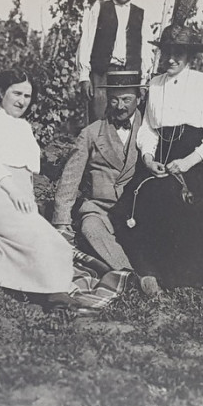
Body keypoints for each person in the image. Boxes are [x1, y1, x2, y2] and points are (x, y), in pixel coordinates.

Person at [0, 70, 97, 314]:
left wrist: (25, 196)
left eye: (27, 96)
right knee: (37, 238)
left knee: (56, 243)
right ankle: (53, 294)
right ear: (1, 93)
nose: (22, 100)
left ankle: (50, 288)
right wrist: (13, 190)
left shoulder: (24, 128)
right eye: (16, 93)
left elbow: (27, 177)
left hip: (16, 198)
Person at [109, 24, 203, 290]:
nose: (172, 59)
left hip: (191, 167)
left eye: (179, 53)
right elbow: (149, 130)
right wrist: (149, 158)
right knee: (130, 211)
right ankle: (147, 272)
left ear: (190, 56)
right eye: (167, 52)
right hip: (159, 165)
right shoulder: (155, 84)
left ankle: (183, 278)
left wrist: (188, 161)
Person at [52, 70, 160, 295]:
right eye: (114, 99)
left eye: (127, 99)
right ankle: (133, 278)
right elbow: (70, 179)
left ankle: (157, 274)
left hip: (136, 212)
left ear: (139, 99)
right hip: (101, 212)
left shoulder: (151, 131)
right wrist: (61, 222)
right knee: (90, 227)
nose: (120, 106)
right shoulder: (91, 133)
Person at [76, 0, 152, 123]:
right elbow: (87, 40)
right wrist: (84, 76)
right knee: (98, 118)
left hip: (129, 73)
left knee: (125, 118)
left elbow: (146, 50)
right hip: (101, 72)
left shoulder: (140, 14)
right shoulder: (100, 8)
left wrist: (143, 81)